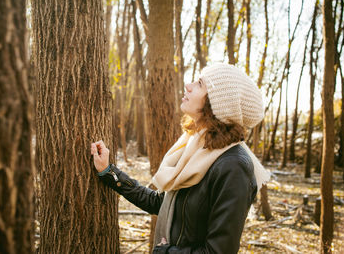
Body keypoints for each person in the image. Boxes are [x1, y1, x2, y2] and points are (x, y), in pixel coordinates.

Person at [91, 63, 270, 253]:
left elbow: (219, 250)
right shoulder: (196, 147)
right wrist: (109, 173)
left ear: (217, 103)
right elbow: (163, 204)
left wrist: (166, 252)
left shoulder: (233, 167)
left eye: (200, 83)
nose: (188, 85)